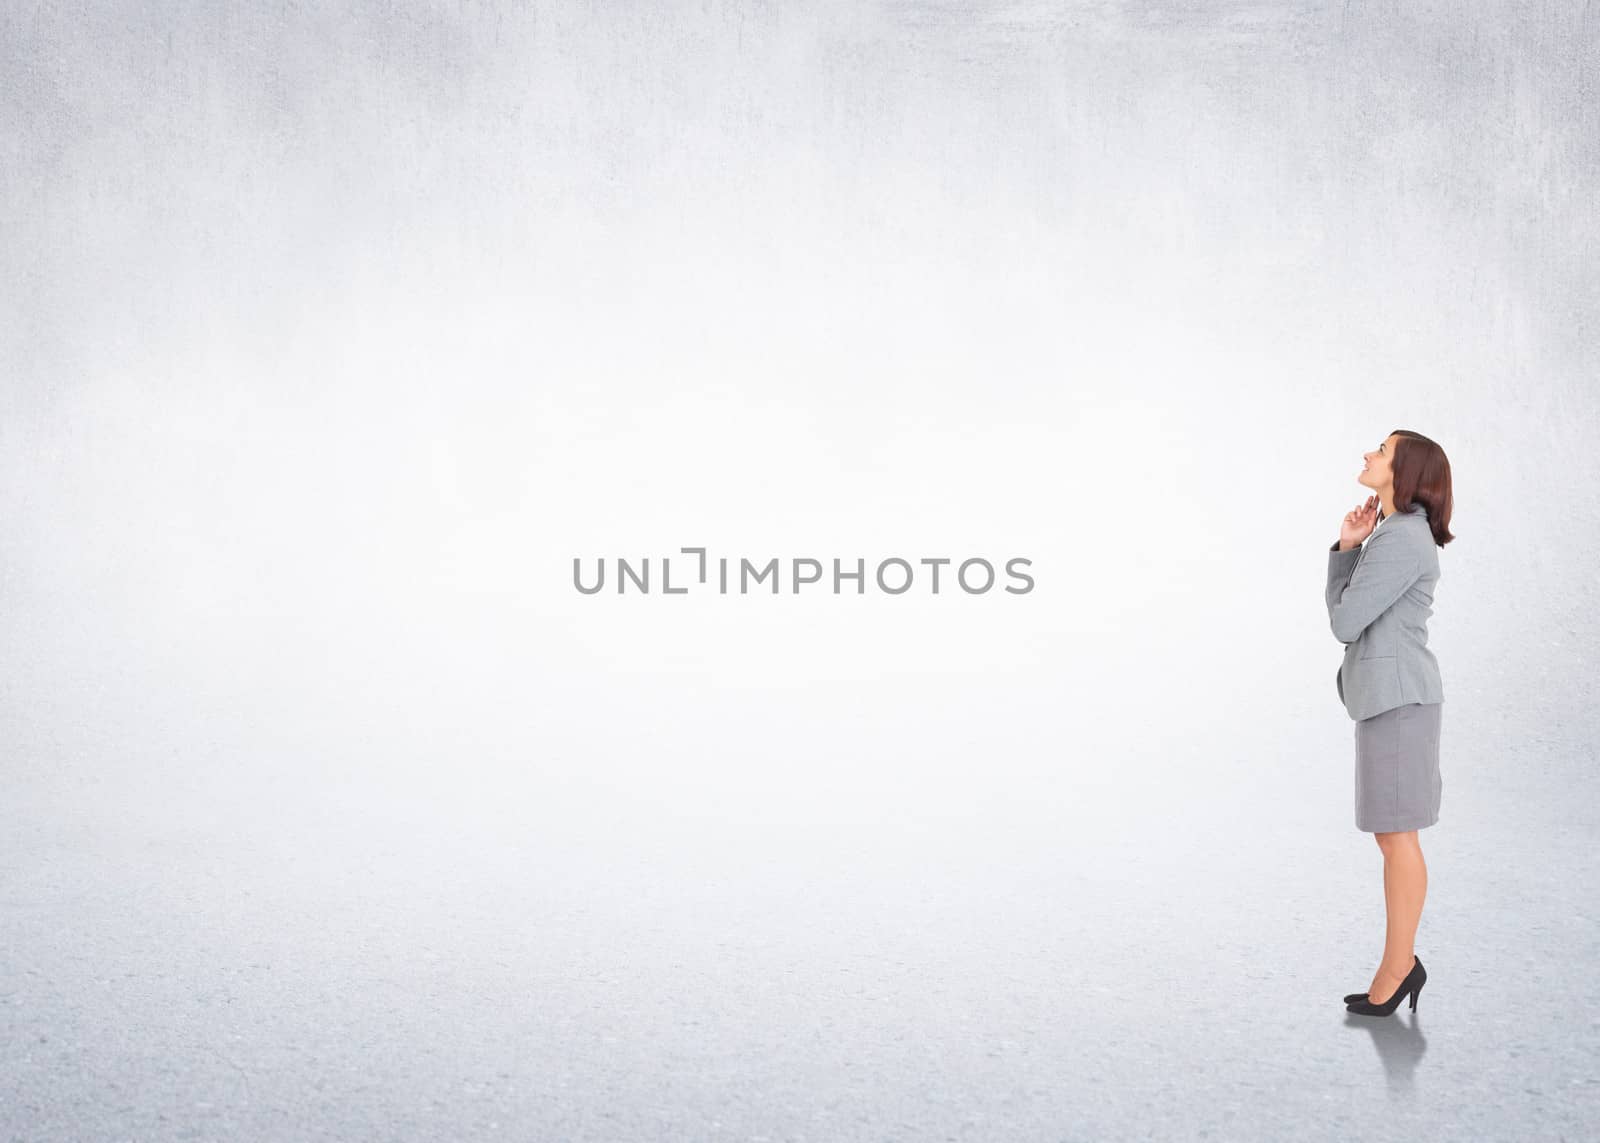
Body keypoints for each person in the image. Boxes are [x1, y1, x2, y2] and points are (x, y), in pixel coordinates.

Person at [1325, 430, 1455, 1017]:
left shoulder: (1401, 539)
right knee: (1392, 835)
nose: (1368, 455)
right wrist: (1351, 544)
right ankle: (1399, 964)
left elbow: (1347, 620)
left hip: (1399, 701)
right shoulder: (1395, 533)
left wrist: (1349, 553)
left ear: (1405, 471)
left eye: (1381, 451)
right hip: (1391, 700)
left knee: (1398, 838)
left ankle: (1398, 968)